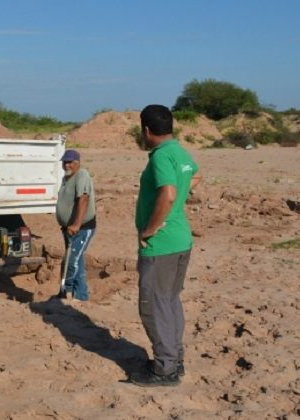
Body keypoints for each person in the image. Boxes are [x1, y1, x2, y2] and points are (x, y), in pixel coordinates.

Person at [131, 105, 202, 387]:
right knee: (169, 301)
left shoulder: (161, 156)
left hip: (161, 245)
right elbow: (195, 175)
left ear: (146, 130)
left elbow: (169, 193)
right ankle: (173, 359)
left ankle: (165, 369)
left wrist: (150, 228)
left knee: (153, 306)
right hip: (180, 240)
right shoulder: (179, 151)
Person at [55, 149, 96, 303]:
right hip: (69, 229)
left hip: (82, 228)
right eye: (65, 162)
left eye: (70, 162)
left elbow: (83, 199)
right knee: (77, 261)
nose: (67, 165)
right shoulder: (66, 178)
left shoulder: (82, 175)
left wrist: (77, 224)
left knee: (72, 261)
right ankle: (81, 296)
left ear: (78, 163)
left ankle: (68, 293)